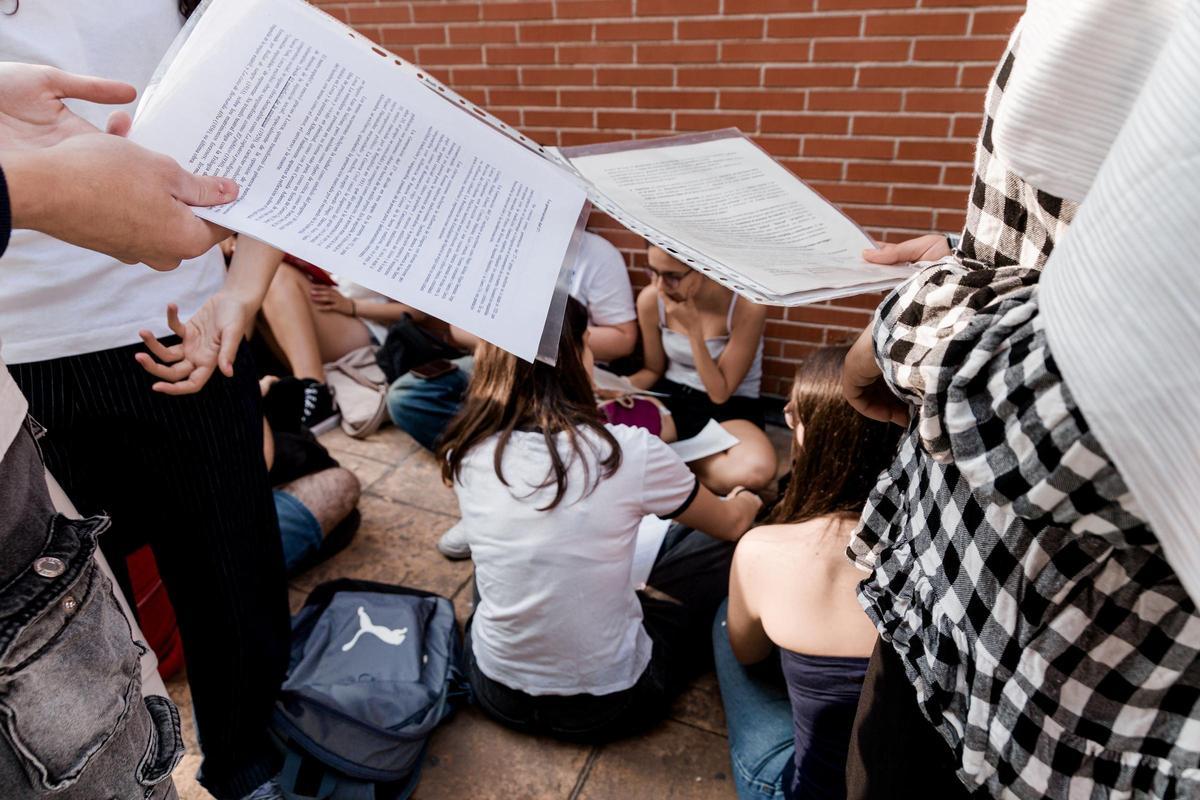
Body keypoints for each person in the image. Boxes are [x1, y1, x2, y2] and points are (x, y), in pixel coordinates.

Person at [840, 3, 1200, 797]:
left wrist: (901, 326)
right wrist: (973, 258)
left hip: (1065, 715)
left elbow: (1097, 412)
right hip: (953, 605)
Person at [0, 6, 290, 799]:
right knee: (76, 640)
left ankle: (247, 769)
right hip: (15, 366)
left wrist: (243, 294)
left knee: (236, 586)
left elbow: (273, 126)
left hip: (187, 330)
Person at [438, 296, 762, 742]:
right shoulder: (627, 450)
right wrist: (749, 500)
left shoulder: (467, 449)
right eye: (587, 346)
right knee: (719, 574)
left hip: (494, 690)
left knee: (506, 562)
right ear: (573, 358)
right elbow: (730, 524)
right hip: (609, 706)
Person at [713, 346, 901, 800]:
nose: (785, 412)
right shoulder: (943, 551)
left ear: (821, 434)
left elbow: (749, 654)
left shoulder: (762, 551)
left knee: (727, 622)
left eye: (797, 410)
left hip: (796, 789)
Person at [386, 230, 638, 449]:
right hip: (501, 362)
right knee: (406, 397)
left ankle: (520, 443)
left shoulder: (598, 254)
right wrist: (509, 343)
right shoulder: (502, 247)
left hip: (566, 369)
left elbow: (623, 340)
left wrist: (547, 340)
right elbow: (458, 329)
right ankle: (488, 452)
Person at [629, 245, 776, 494]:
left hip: (731, 406)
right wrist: (618, 385)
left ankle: (662, 462)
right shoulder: (651, 299)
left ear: (703, 269)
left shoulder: (746, 306)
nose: (660, 285)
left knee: (753, 472)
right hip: (673, 398)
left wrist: (694, 332)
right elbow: (653, 370)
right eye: (653, 272)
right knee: (608, 436)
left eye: (672, 276)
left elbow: (720, 392)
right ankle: (675, 462)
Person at [257, 244, 426, 431]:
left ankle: (315, 389)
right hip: (317, 324)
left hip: (370, 329)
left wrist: (352, 306)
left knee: (277, 276)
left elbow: (417, 312)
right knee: (256, 272)